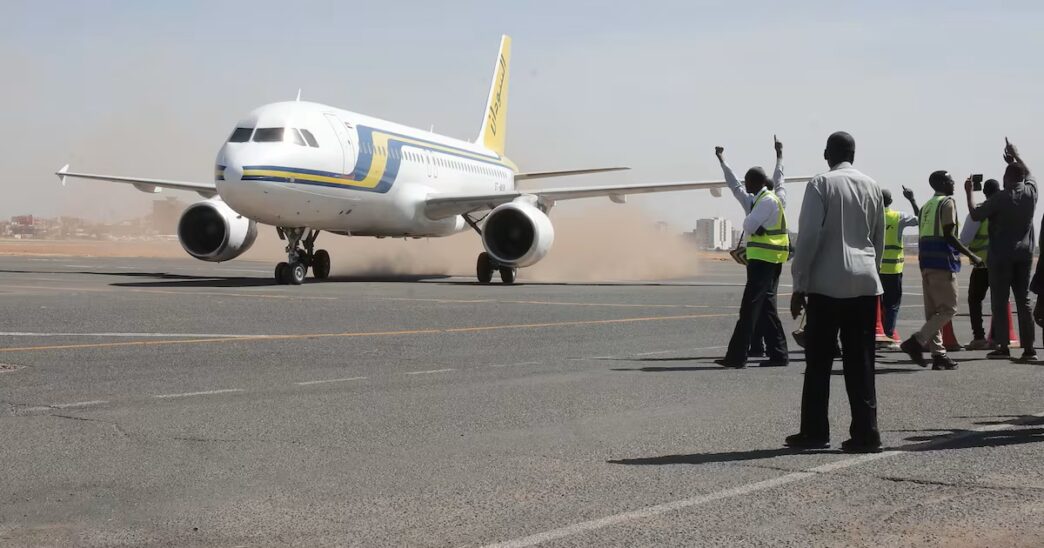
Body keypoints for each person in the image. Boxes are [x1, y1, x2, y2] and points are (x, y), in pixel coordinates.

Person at [787, 131, 884, 453]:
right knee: (862, 362)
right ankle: (867, 434)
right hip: (866, 283)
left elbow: (810, 237)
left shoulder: (821, 184)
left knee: (818, 363)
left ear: (828, 153)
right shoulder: (872, 185)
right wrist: (872, 271)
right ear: (853, 154)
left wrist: (799, 284)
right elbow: (878, 238)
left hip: (828, 286)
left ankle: (815, 431)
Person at [714, 136, 789, 369]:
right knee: (766, 307)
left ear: (755, 183)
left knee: (750, 308)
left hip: (764, 261)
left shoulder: (761, 201)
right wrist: (779, 156)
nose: (743, 185)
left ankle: (738, 356)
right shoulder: (776, 198)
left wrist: (722, 160)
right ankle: (776, 353)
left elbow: (747, 220)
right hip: (769, 259)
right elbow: (780, 181)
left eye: (748, 181)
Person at [900, 171, 984, 370]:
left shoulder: (927, 206)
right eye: (949, 180)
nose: (953, 183)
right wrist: (972, 255)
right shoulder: (947, 202)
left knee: (933, 313)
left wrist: (912, 200)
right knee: (948, 309)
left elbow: (922, 224)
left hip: (926, 263)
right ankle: (916, 341)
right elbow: (949, 235)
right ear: (941, 183)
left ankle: (939, 356)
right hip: (942, 264)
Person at [969, 139, 1037, 361]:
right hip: (1024, 254)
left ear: (1007, 179)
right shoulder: (1031, 193)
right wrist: (1016, 155)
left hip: (1000, 256)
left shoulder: (1000, 197)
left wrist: (969, 193)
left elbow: (976, 215)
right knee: (1023, 301)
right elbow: (1028, 173)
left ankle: (1003, 346)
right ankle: (1029, 349)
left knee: (999, 300)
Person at [960, 178, 1001, 350]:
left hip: (982, 265)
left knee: (975, 300)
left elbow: (964, 240)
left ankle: (979, 337)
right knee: (999, 301)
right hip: (1003, 264)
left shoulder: (979, 212)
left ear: (984, 193)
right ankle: (999, 338)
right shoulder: (1006, 209)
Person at [878, 187, 920, 350]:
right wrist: (912, 199)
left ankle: (878, 332)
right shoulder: (898, 217)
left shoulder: (870, 216)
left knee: (877, 304)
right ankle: (888, 334)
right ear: (891, 201)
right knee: (892, 304)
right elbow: (919, 218)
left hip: (875, 269)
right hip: (893, 269)